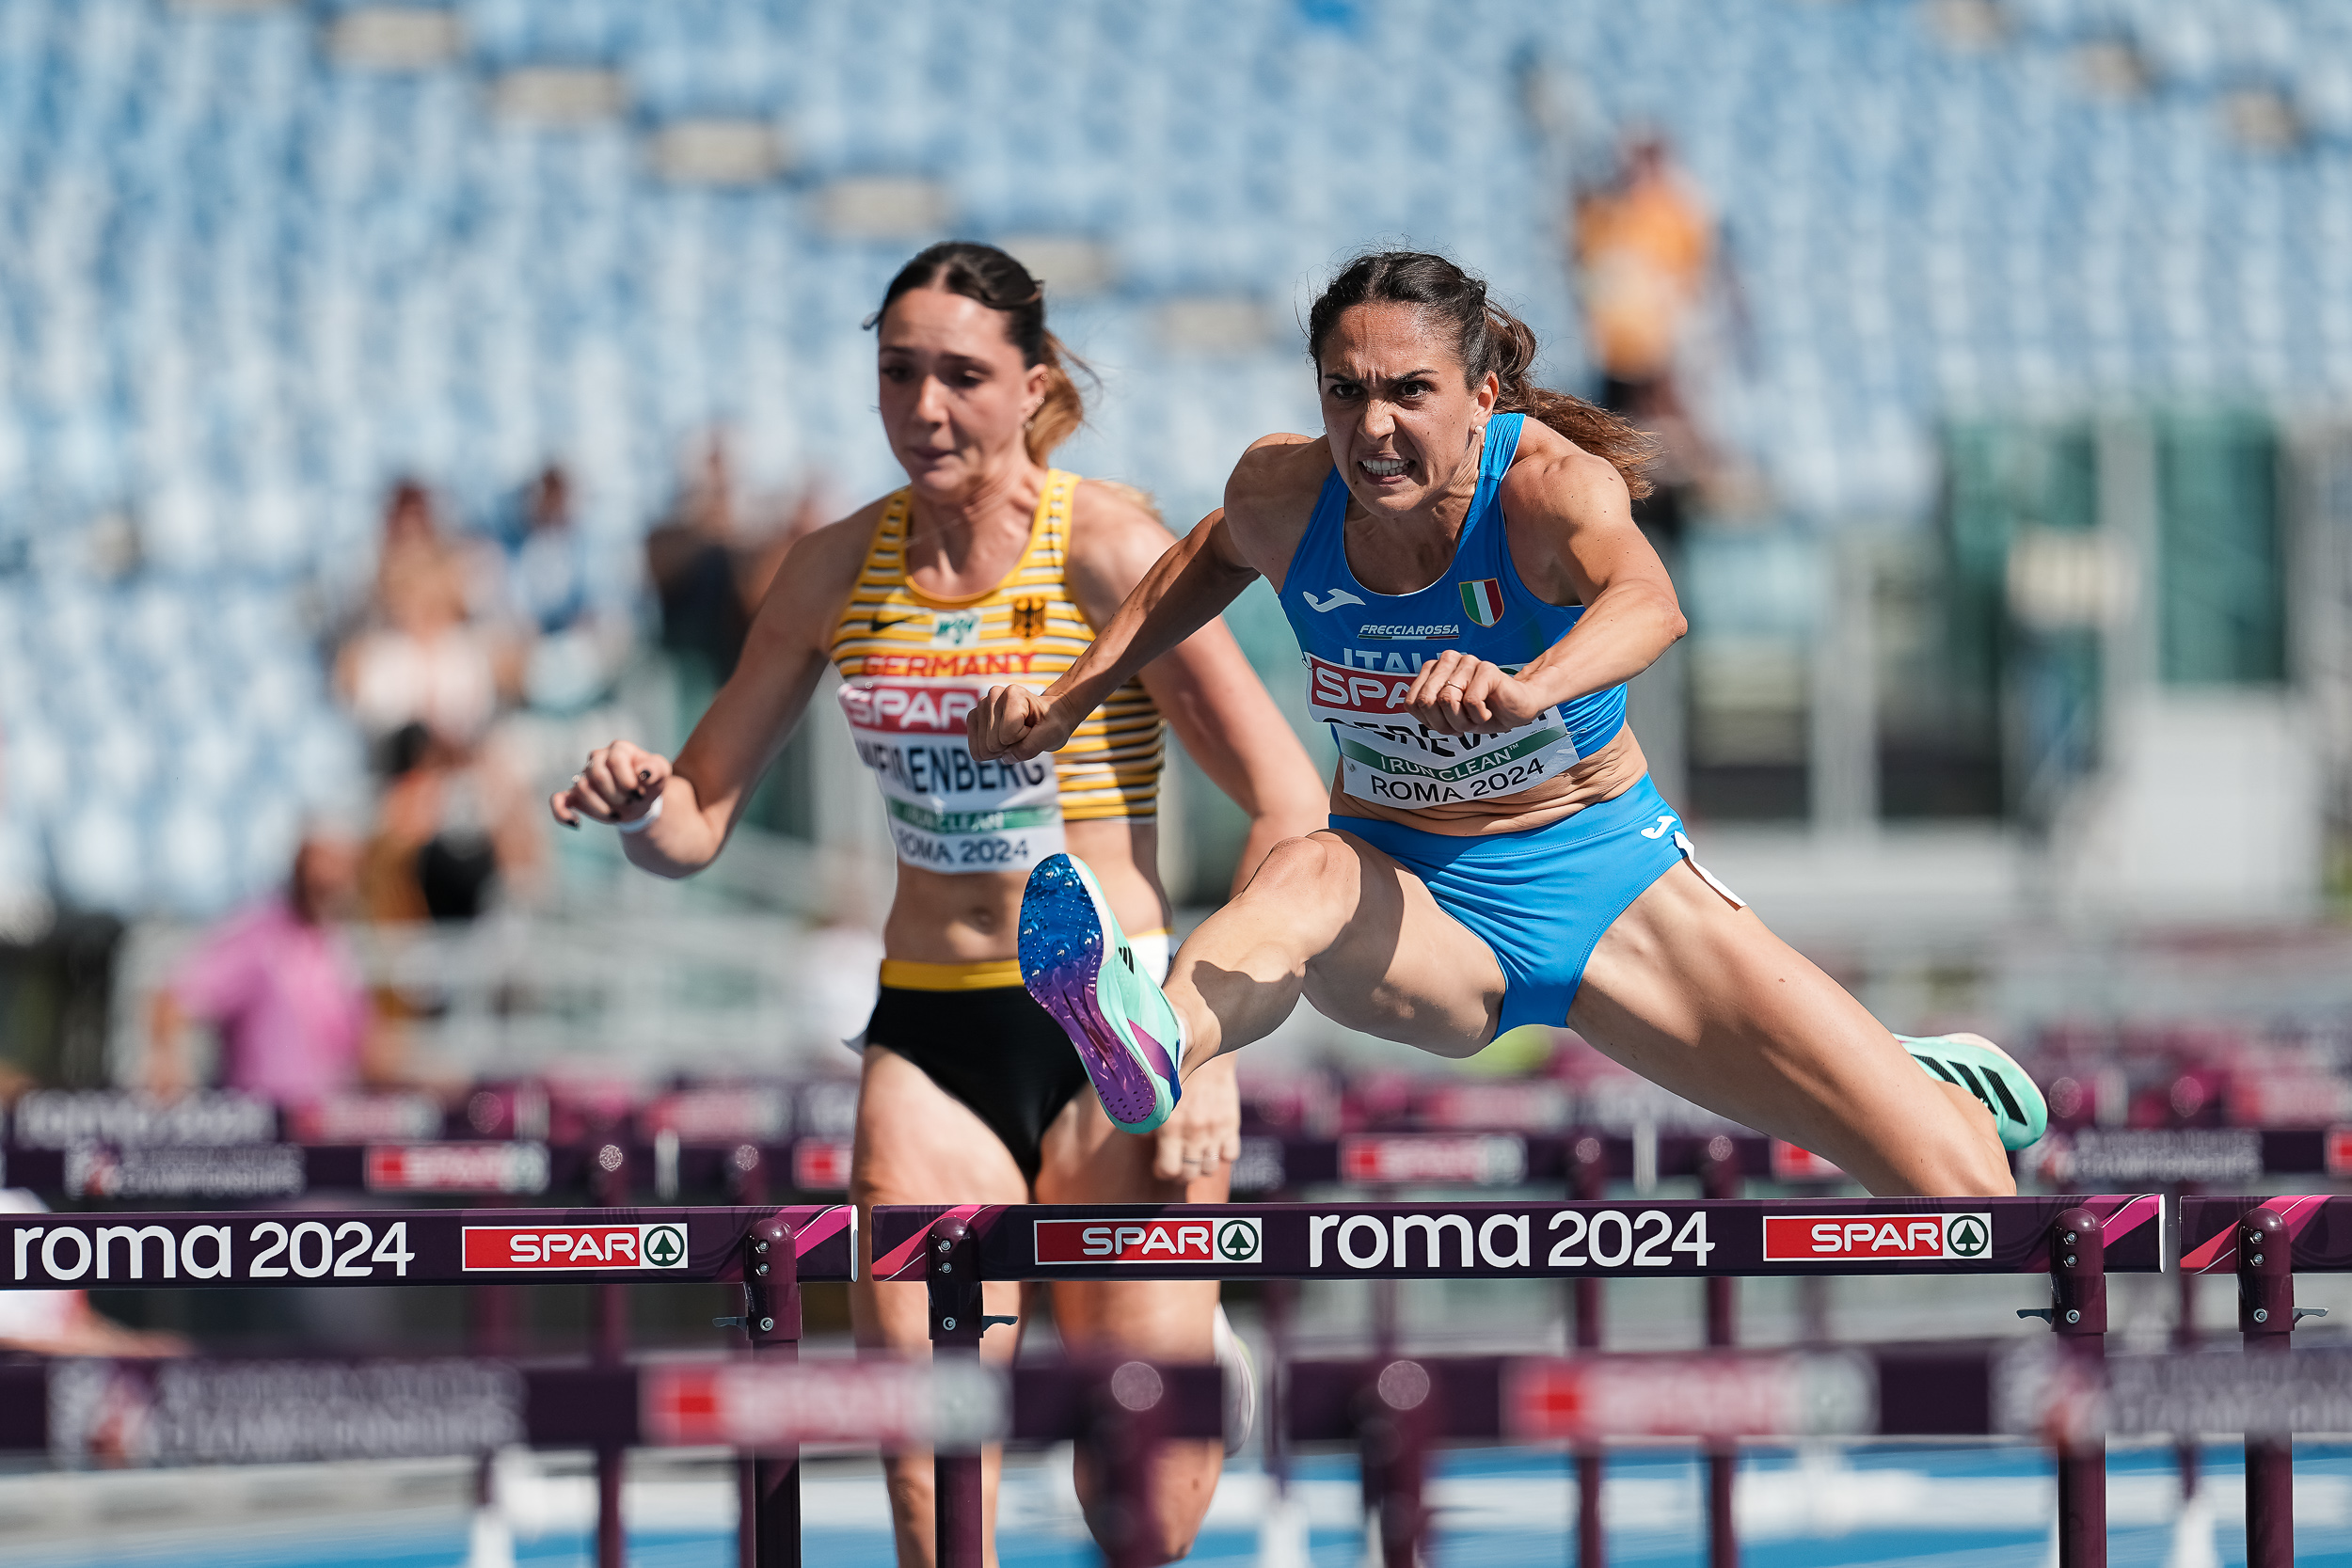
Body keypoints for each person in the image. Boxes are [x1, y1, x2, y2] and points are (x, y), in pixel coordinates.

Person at [552, 242, 1327, 1565]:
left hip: (1120, 1035)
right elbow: (694, 824)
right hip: (931, 1035)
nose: (925, 407)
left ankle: (1198, 1344)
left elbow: (1288, 803)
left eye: (962, 375)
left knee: (1144, 1511)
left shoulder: (1108, 548)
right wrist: (639, 805)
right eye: (898, 372)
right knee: (930, 1482)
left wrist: (1209, 1044)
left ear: (1034, 384)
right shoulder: (832, 569)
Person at [974, 250, 2043, 1196]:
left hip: (1606, 887)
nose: (1373, 428)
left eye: (1409, 391)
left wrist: (1531, 684)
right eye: (1345, 392)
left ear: (1481, 394)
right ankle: (1156, 1038)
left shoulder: (1548, 490)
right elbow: (1206, 557)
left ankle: (1904, 1075)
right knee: (1303, 870)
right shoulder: (1282, 494)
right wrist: (1069, 697)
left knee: (1959, 1183)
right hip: (1409, 901)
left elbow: (1650, 603)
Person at [149, 820, 405, 1102]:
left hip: (325, 1117)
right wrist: (168, 1059)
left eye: (342, 866)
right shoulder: (257, 935)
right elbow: (175, 998)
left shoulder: (337, 945)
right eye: (320, 863)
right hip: (261, 1117)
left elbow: (365, 1047)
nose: (329, 877)